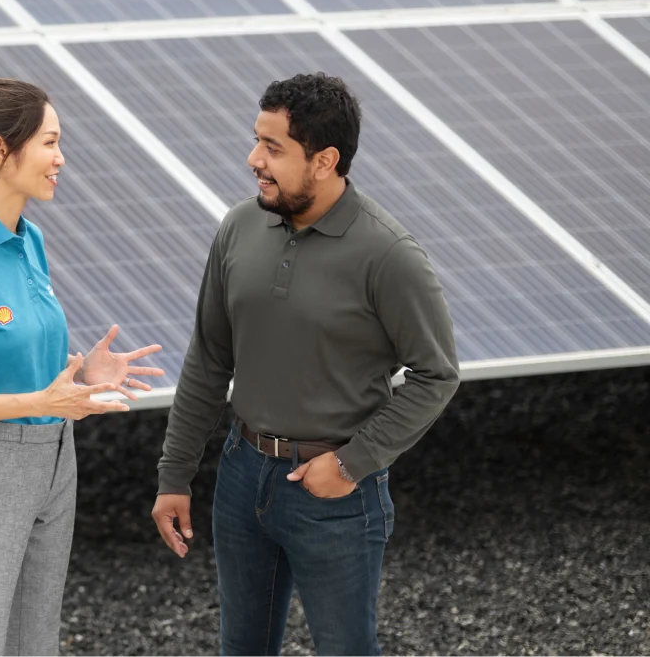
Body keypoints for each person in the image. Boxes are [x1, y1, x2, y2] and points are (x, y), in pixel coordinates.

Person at [151, 72, 460, 657]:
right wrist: (175, 475)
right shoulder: (240, 226)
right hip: (242, 478)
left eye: (273, 148)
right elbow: (210, 358)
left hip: (334, 495)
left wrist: (350, 464)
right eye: (256, 141)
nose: (253, 159)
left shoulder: (389, 256)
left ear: (325, 161)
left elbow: (436, 375)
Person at [0, 77, 164, 657]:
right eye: (49, 143)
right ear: (1, 150)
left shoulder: (30, 240)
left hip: (55, 460)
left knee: (35, 645)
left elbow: (24, 365)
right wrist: (39, 404)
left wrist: (80, 378)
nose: (61, 158)